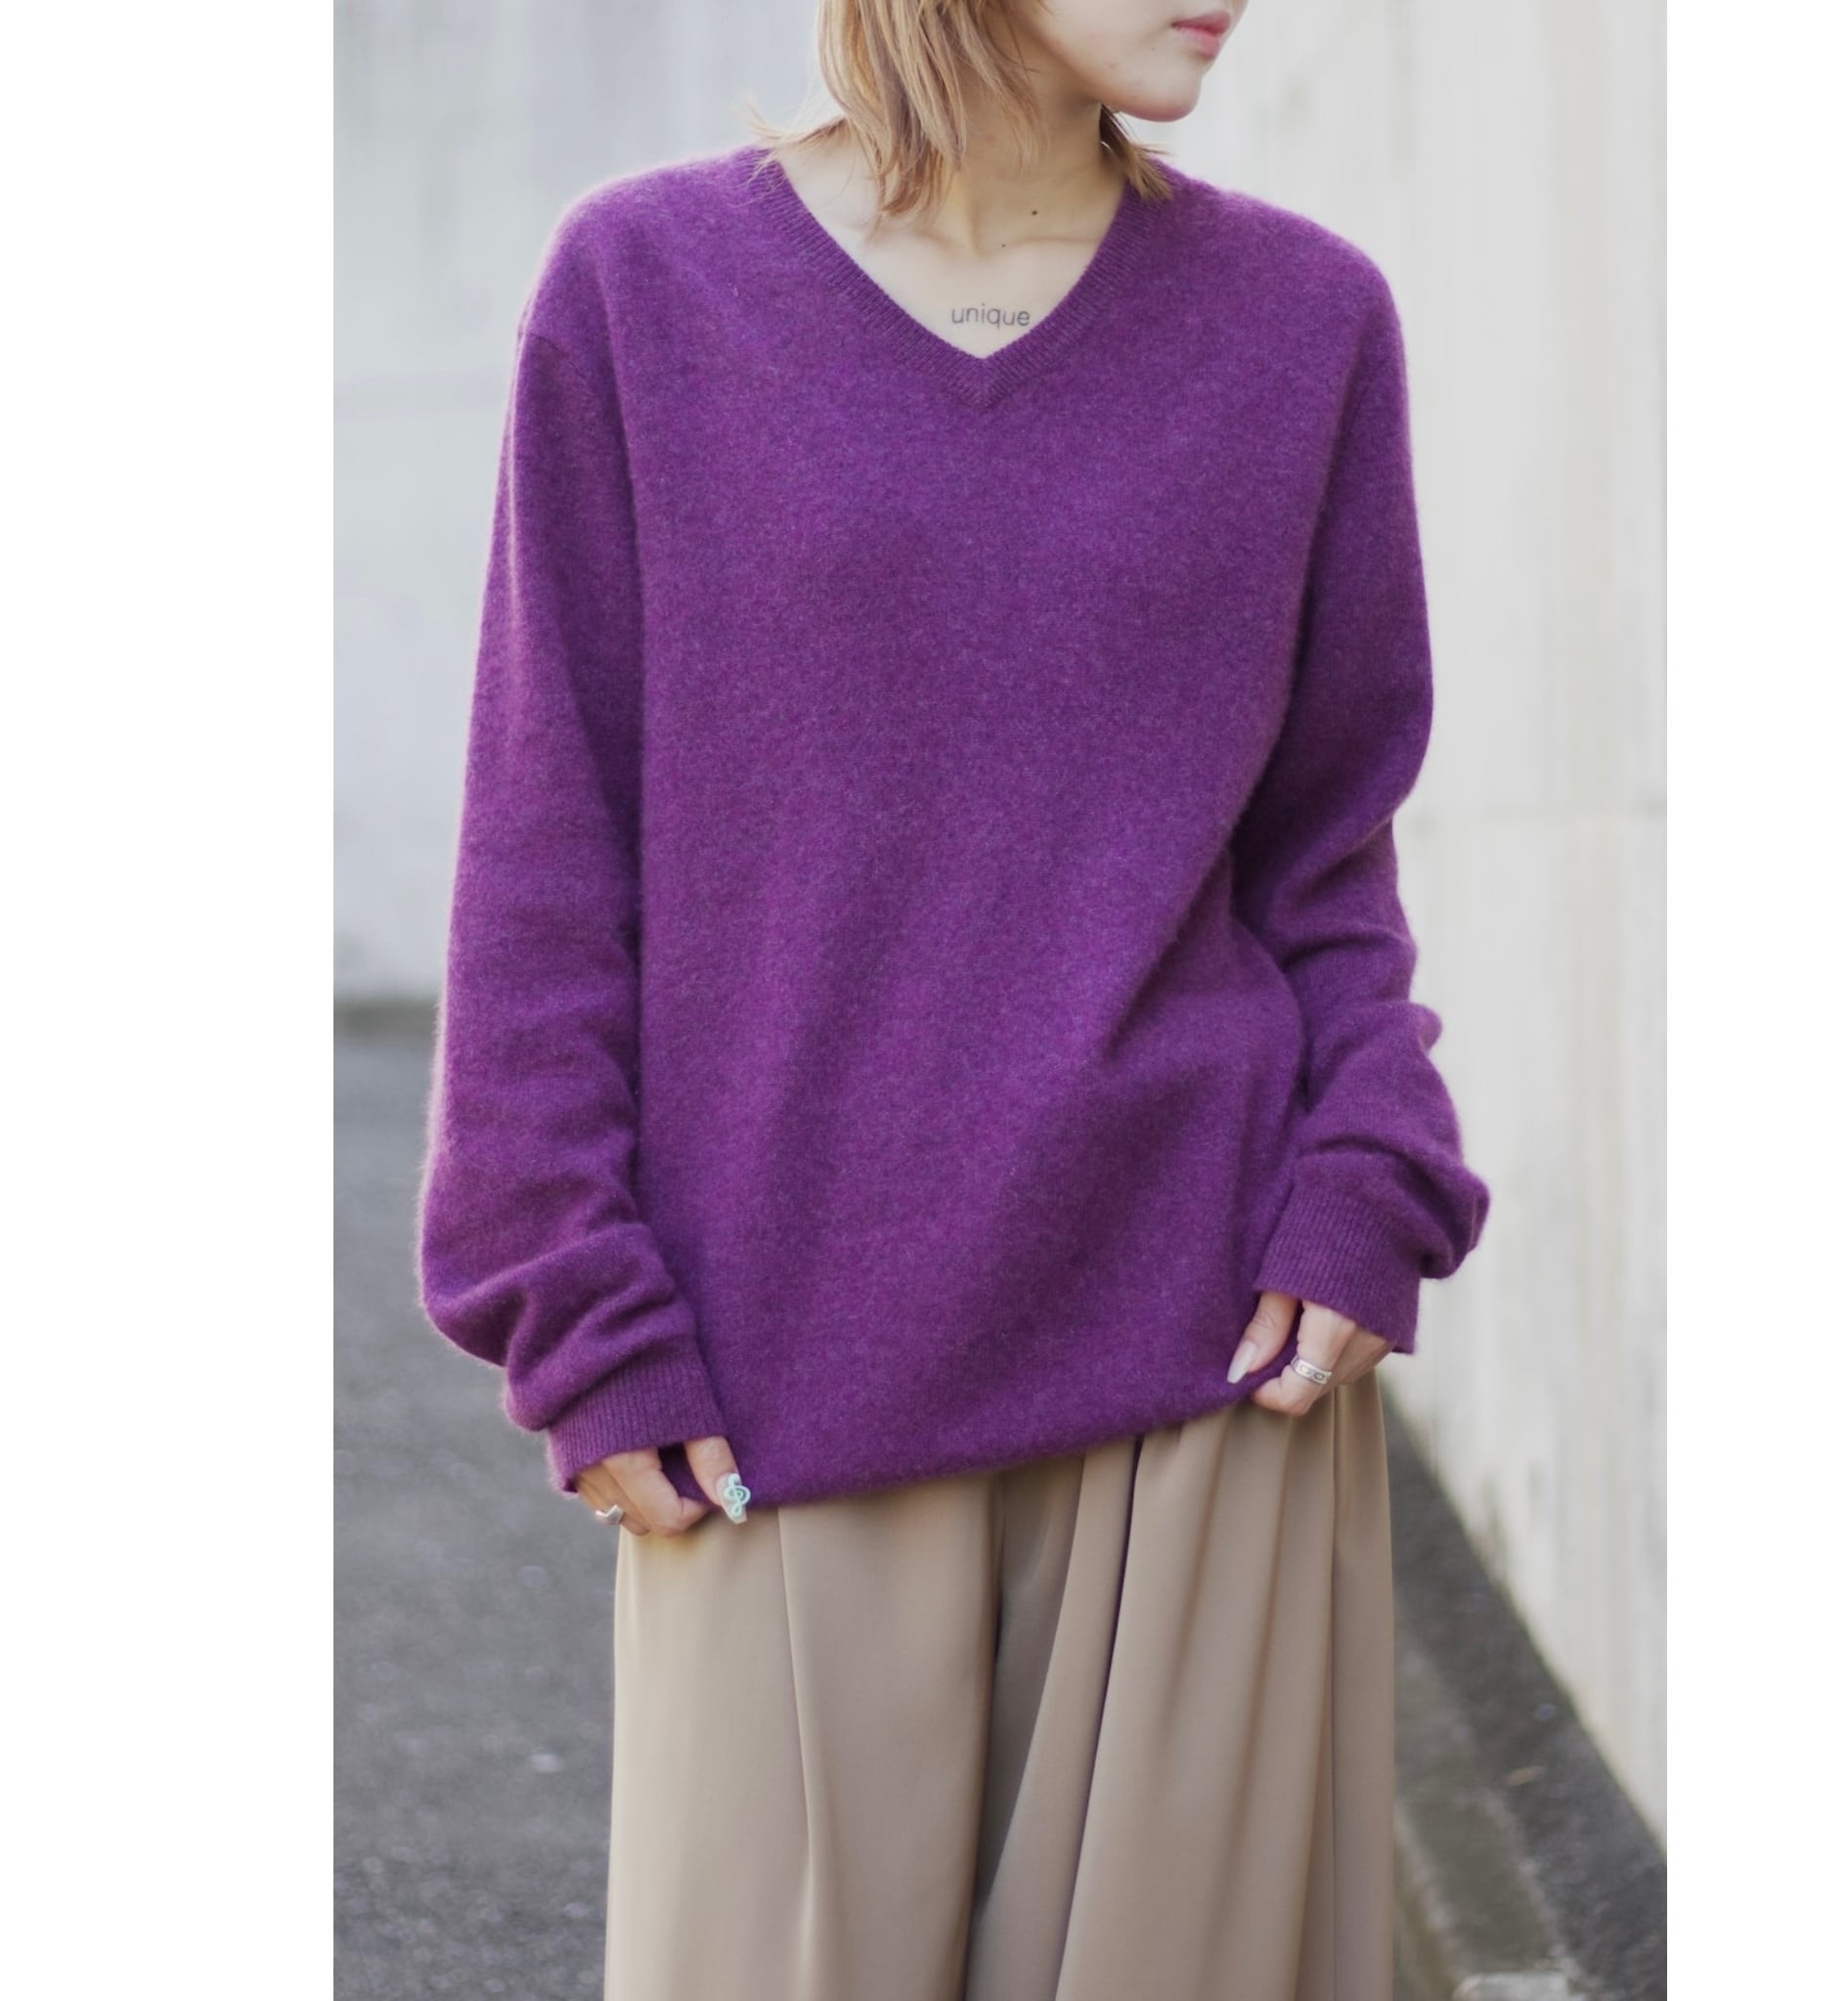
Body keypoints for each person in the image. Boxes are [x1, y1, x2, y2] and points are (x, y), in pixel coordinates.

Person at [416, 2, 1491, 1994]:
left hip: (1214, 1372)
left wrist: (1369, 1171)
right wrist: (563, 1295)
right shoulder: (646, 292)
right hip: (768, 1390)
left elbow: (1326, 859)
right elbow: (548, 850)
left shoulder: (1303, 323)